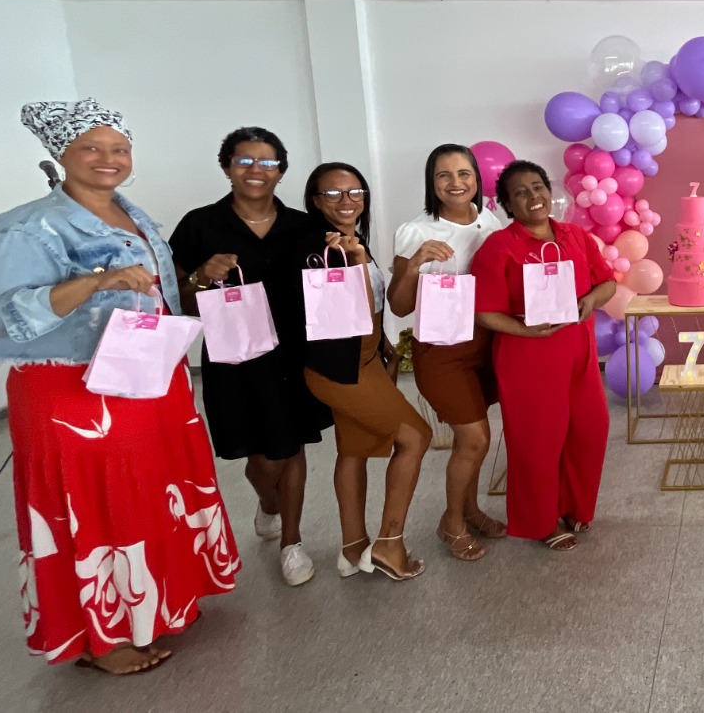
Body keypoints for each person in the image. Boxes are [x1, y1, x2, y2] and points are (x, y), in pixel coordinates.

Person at [0, 99, 239, 673]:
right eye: (90, 148)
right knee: (95, 503)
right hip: (73, 388)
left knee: (153, 490)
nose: (108, 158)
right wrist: (95, 282)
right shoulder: (24, 226)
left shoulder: (134, 216)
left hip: (146, 375)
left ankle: (161, 604)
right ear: (61, 154)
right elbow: (1, 318)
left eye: (119, 148)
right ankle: (102, 639)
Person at [171, 127, 331, 587]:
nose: (256, 170)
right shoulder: (200, 225)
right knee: (263, 457)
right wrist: (201, 276)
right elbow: (174, 299)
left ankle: (292, 542)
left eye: (267, 162)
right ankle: (268, 502)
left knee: (292, 446)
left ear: (281, 171)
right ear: (227, 167)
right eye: (244, 161)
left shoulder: (304, 226)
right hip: (236, 358)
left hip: (296, 352)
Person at [470, 161, 615, 551]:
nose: (533, 197)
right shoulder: (499, 247)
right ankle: (541, 520)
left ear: (550, 192)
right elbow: (483, 311)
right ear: (507, 204)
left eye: (538, 187)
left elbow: (608, 283)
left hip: (578, 353)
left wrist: (590, 301)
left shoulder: (575, 236)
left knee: (589, 430)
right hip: (527, 357)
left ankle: (574, 506)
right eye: (520, 192)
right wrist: (526, 330)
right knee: (537, 442)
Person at [299, 162, 432, 581]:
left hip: (365, 358)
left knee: (353, 450)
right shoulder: (318, 249)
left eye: (355, 192)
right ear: (315, 200)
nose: (347, 200)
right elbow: (343, 311)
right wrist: (355, 260)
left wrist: (383, 343)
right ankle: (389, 545)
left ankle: (353, 546)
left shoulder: (352, 239)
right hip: (339, 367)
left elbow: (372, 307)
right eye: (333, 193)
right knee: (416, 437)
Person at [387, 144, 505, 561]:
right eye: (444, 175)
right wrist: (415, 263)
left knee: (472, 438)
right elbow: (399, 306)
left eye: (464, 173)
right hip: (441, 353)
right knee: (475, 438)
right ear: (431, 182)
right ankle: (451, 522)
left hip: (484, 345)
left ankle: (470, 510)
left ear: (476, 178)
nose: (456, 183)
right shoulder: (415, 230)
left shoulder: (490, 221)